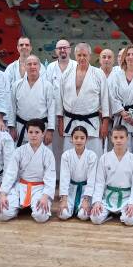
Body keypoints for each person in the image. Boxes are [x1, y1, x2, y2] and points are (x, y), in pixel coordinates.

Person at [0, 119, 57, 222]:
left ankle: (30, 206)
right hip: (21, 187)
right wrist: (3, 194)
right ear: (27, 133)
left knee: (41, 216)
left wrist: (45, 196)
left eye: (37, 132)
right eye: (30, 132)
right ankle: (18, 208)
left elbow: (50, 178)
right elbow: (10, 173)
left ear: (43, 134)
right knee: (2, 214)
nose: (33, 135)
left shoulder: (48, 154)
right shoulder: (19, 151)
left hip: (40, 189)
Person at [57, 42, 110, 155]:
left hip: (92, 124)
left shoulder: (98, 74)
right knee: (70, 157)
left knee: (94, 157)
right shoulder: (66, 74)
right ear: (75, 56)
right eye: (79, 55)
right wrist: (60, 121)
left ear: (90, 56)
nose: (82, 58)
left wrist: (105, 123)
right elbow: (60, 99)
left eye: (84, 55)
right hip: (70, 123)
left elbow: (105, 100)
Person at [90, 125, 133, 226]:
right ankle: (110, 213)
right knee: (95, 218)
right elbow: (100, 182)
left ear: (127, 138)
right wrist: (97, 201)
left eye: (121, 137)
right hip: (108, 197)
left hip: (126, 198)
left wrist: (132, 203)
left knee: (130, 221)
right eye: (116, 137)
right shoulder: (104, 158)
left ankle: (121, 214)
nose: (118, 140)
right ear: (111, 138)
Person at [7, 55, 56, 148]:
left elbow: (51, 109)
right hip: (21, 127)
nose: (32, 66)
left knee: (42, 154)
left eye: (35, 64)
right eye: (29, 64)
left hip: (41, 128)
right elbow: (12, 108)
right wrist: (11, 127)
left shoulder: (47, 86)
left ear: (39, 67)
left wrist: (50, 130)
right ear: (25, 66)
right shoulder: (16, 85)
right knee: (21, 155)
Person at [44, 39, 76, 171]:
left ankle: (70, 175)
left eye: (65, 47)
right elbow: (46, 91)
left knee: (71, 146)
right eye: (59, 48)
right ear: (56, 51)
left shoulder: (76, 66)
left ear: (70, 49)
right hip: (54, 113)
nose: (62, 50)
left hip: (72, 113)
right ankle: (56, 176)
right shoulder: (50, 68)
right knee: (55, 146)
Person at [58, 126, 98, 221]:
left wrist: (86, 199)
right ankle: (70, 205)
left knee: (83, 215)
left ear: (86, 139)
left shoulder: (92, 156)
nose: (79, 140)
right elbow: (64, 178)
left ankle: (82, 204)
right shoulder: (66, 155)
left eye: (82, 138)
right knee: (63, 214)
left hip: (85, 190)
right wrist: (64, 199)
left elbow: (91, 179)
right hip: (71, 189)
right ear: (71, 139)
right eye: (76, 138)